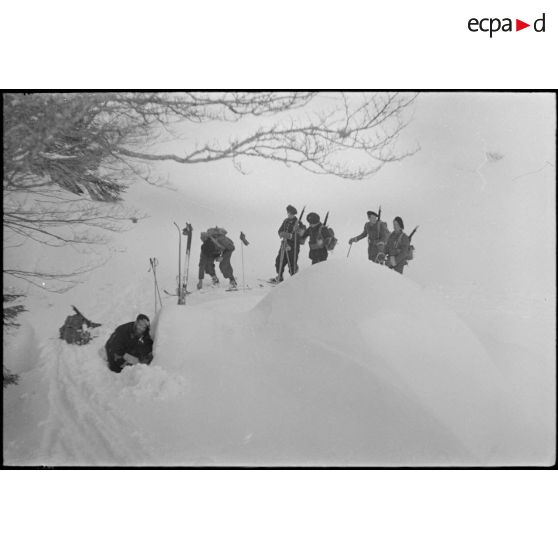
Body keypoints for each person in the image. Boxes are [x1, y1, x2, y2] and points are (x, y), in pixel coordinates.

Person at [271, 205, 307, 283]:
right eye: (288, 213)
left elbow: (300, 236)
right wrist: (282, 233)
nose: (289, 215)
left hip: (293, 247)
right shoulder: (285, 221)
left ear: (294, 214)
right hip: (284, 245)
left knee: (292, 264)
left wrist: (290, 236)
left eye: (291, 214)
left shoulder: (299, 223)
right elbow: (280, 230)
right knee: (279, 261)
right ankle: (279, 277)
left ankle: (294, 280)